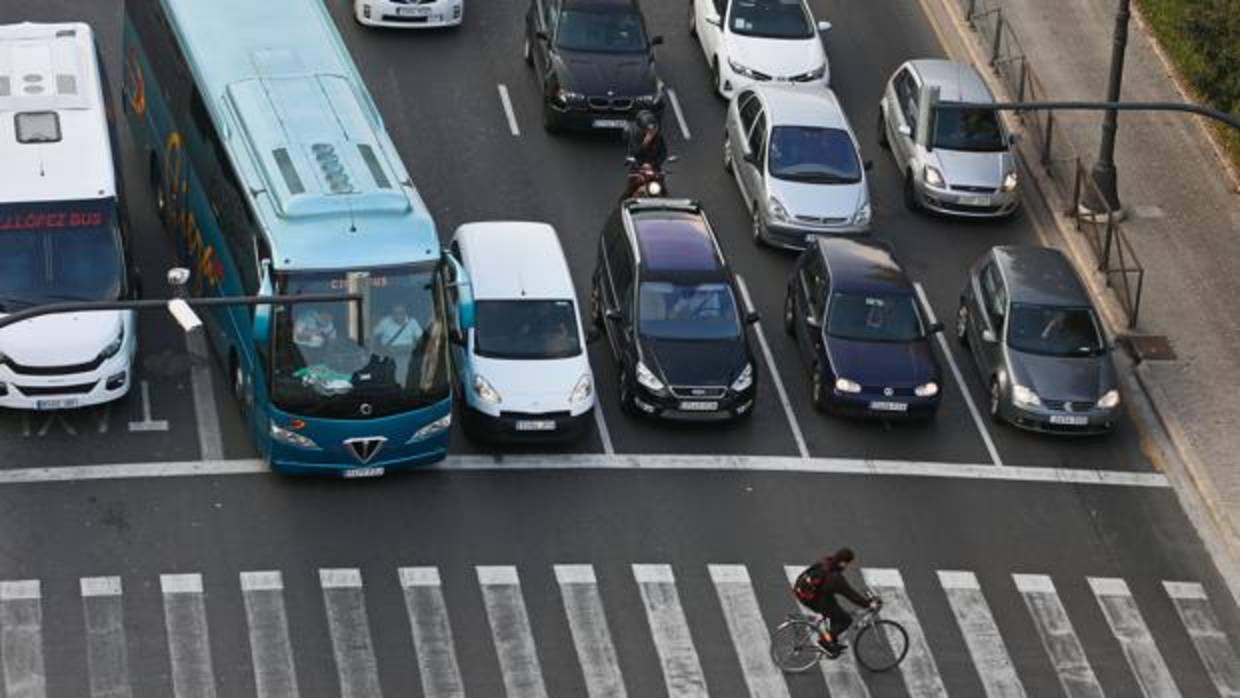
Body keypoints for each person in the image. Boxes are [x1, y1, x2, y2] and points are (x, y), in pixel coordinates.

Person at [793, 548, 876, 655]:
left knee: (835, 612)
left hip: (803, 591)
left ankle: (832, 641)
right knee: (846, 620)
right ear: (842, 562)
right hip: (814, 600)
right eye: (847, 563)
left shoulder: (825, 561)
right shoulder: (835, 578)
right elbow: (851, 595)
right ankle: (825, 641)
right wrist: (868, 604)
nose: (847, 566)